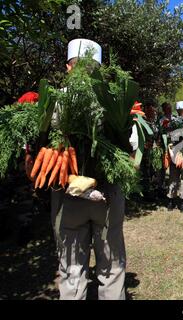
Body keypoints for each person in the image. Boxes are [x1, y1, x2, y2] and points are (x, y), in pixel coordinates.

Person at [51, 39, 128, 300]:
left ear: (68, 68)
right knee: (112, 265)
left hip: (68, 194)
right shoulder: (115, 101)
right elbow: (128, 151)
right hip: (106, 193)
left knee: (71, 268)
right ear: (98, 68)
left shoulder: (54, 102)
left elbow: (41, 150)